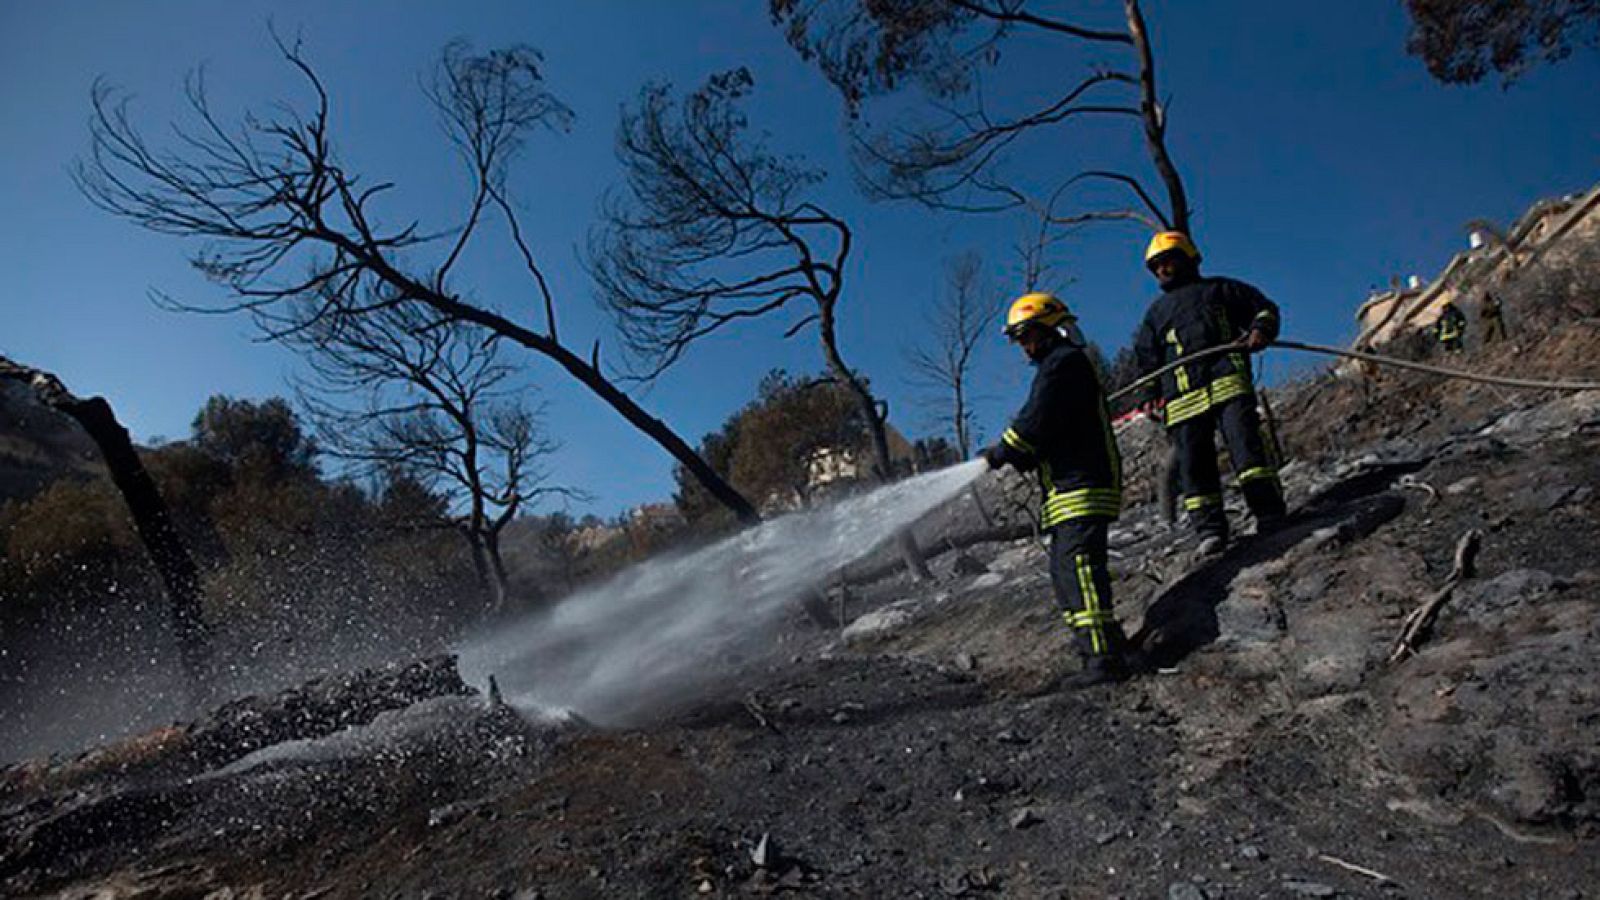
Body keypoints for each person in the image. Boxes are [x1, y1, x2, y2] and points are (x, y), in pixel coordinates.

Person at [980, 292, 1130, 687]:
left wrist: (1005, 449)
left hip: (1082, 485)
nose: (1025, 346)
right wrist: (1020, 453)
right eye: (1020, 339)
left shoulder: (1063, 364)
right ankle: (1109, 647)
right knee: (1065, 574)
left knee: (1079, 571)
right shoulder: (1057, 367)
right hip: (1067, 488)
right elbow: (1051, 431)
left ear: (1051, 327)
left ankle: (1103, 662)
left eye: (1029, 335)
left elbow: (1035, 420)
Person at [1133, 232, 1286, 555]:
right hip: (1183, 400)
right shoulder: (1155, 314)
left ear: (1190, 259)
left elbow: (1265, 309)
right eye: (1156, 266)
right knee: (1193, 467)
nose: (1162, 269)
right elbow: (1147, 360)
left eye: (1167, 261)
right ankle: (1210, 530)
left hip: (1227, 384)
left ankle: (1269, 514)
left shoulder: (1222, 290)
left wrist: (1260, 330)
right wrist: (1148, 394)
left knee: (1248, 454)